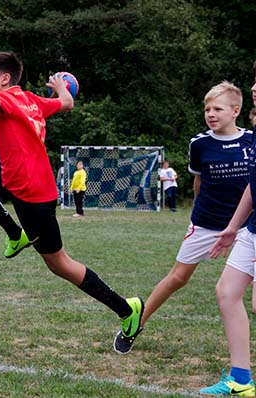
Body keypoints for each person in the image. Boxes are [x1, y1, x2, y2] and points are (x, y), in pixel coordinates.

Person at [0, 51, 144, 347]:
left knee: (60, 264)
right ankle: (15, 234)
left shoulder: (6, 99)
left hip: (32, 194)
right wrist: (62, 85)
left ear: (5, 78)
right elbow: (67, 103)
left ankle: (127, 310)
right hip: (15, 178)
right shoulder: (31, 100)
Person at [113, 81, 252, 355]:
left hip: (248, 224)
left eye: (218, 109)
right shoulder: (199, 144)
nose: (211, 114)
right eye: (207, 109)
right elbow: (199, 183)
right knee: (178, 278)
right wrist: (198, 215)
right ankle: (136, 324)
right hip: (206, 223)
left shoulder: (251, 140)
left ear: (236, 111)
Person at [196, 65, 256, 398]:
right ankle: (241, 379)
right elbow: (254, 183)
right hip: (251, 227)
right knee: (227, 292)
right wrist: (234, 226)